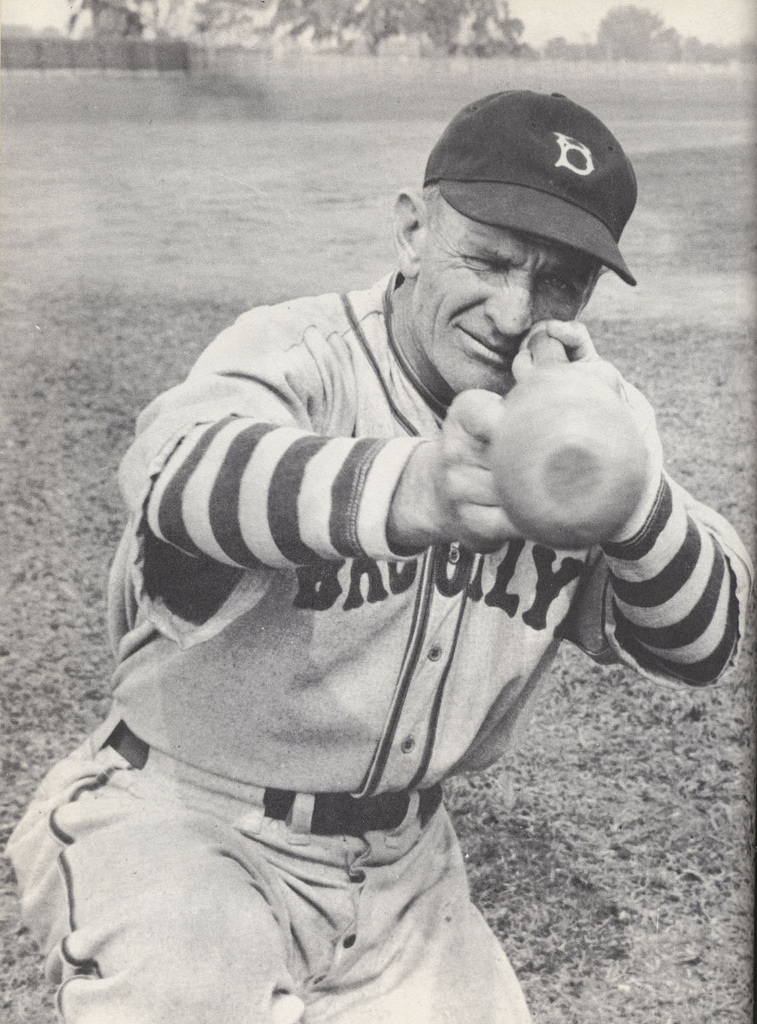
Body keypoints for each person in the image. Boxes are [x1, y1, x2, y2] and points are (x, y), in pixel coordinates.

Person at [7, 90, 752, 1024]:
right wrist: (414, 490)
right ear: (411, 231)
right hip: (185, 827)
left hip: (404, 876)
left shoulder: (582, 419)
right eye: (486, 259)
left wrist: (630, 493)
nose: (514, 309)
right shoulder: (300, 352)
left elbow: (705, 640)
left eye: (558, 281)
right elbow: (175, 476)